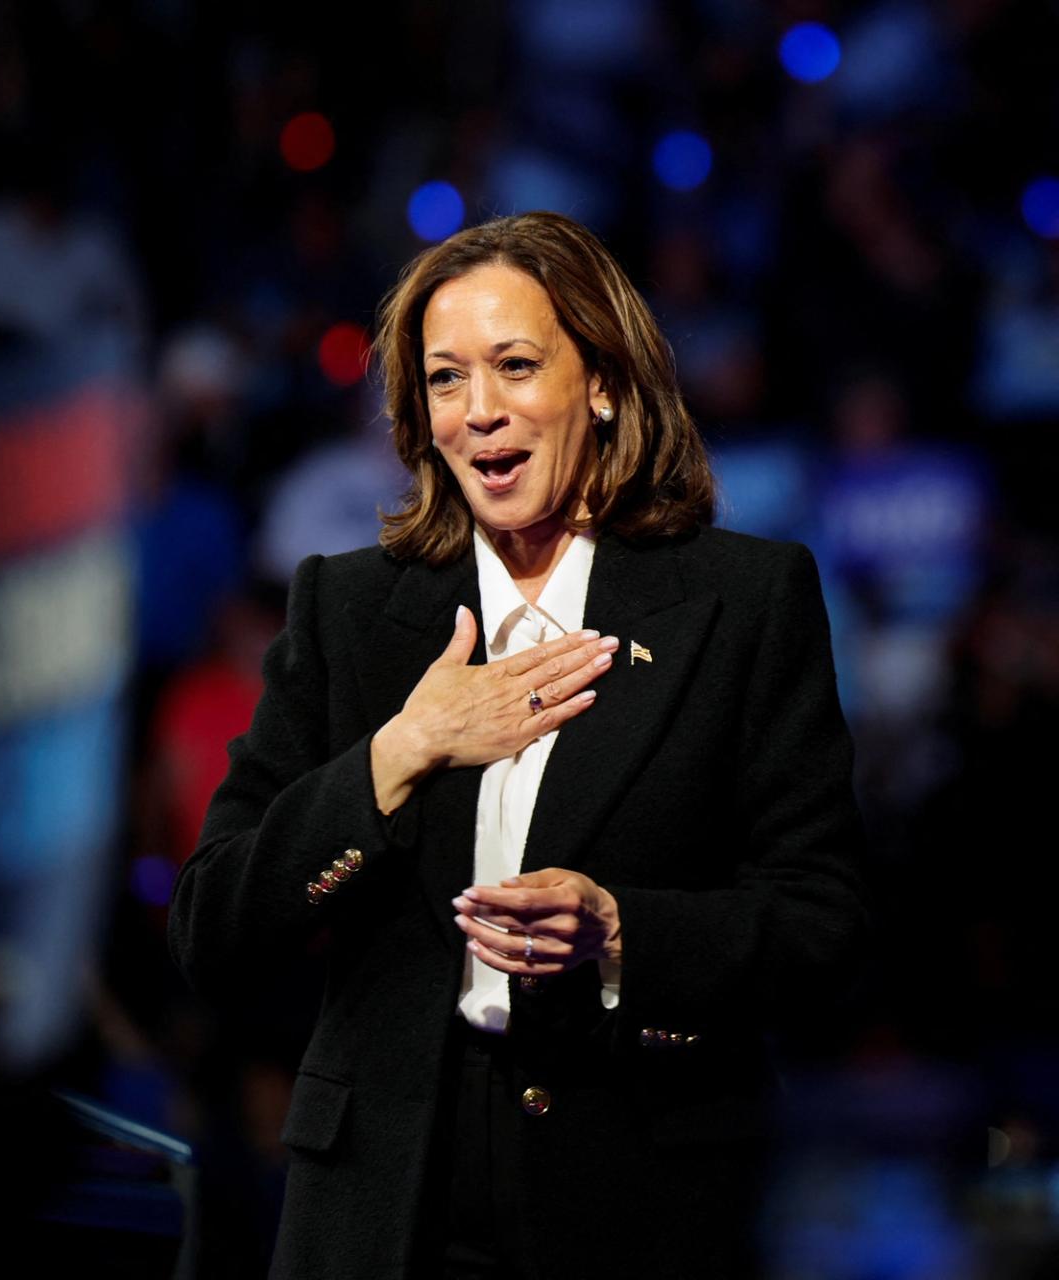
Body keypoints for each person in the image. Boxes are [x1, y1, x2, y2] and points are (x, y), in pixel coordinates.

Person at [167, 211, 870, 1279]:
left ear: (600, 379)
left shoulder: (745, 599)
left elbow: (824, 927)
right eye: (445, 379)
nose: (479, 410)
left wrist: (623, 931)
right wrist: (398, 752)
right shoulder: (349, 611)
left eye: (514, 365)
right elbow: (210, 924)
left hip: (639, 1187)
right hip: (387, 1195)